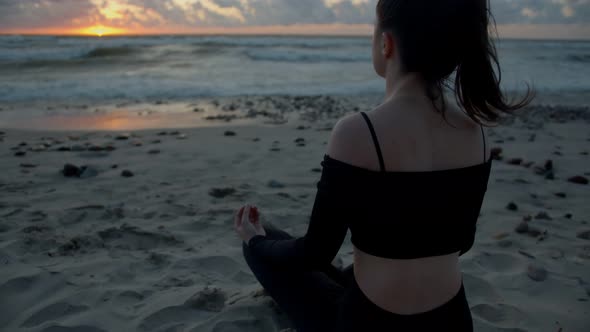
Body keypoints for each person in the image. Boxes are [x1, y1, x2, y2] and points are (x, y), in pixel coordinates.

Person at [234, 0, 533, 331]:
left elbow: (315, 253)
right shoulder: (476, 135)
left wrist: (256, 242)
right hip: (451, 321)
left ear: (386, 43)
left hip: (369, 322)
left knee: (261, 242)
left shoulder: (358, 132)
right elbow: (462, 244)